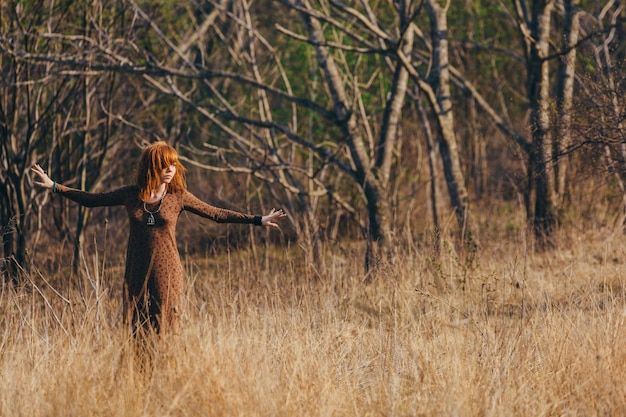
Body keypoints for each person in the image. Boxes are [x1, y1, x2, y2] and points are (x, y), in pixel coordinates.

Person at [31, 141, 286, 334]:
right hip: (136, 271)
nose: (170, 169)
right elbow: (92, 200)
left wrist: (258, 220)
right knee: (136, 330)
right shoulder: (131, 194)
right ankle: (140, 382)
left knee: (165, 328)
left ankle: (167, 377)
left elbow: (217, 214)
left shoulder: (178, 196)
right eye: (164, 164)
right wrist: (55, 186)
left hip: (167, 271)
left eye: (173, 164)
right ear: (151, 166)